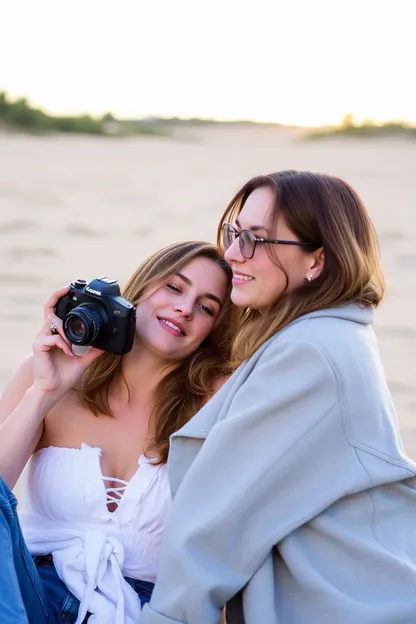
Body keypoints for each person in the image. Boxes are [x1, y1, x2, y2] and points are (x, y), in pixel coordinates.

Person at [141, 171, 416, 624]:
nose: (232, 255)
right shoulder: (328, 337)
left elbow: (214, 526)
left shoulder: (310, 353)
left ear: (317, 260)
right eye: (235, 234)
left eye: (257, 240)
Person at [0, 240, 235, 624]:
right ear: (140, 290)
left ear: (214, 329)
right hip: (29, 595)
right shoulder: (48, 375)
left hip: (142, 609)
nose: (185, 308)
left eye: (207, 307)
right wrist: (45, 391)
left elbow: (229, 543)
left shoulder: (215, 406)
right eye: (175, 287)